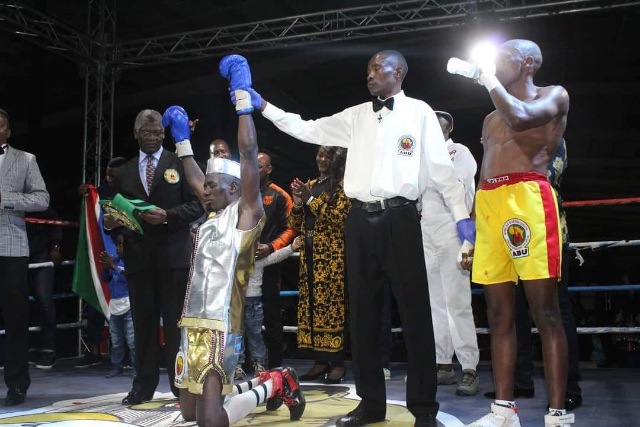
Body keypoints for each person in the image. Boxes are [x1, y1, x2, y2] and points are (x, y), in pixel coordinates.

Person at [248, 50, 475, 427]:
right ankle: (371, 405)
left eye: (377, 68)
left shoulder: (420, 112)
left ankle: (424, 409)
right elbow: (308, 128)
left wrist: (463, 220)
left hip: (401, 217)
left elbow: (442, 174)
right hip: (358, 220)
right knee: (364, 316)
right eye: (368, 69)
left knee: (416, 316)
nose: (369, 75)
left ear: (398, 72)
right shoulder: (354, 116)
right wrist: (264, 106)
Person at [161, 53, 305, 426]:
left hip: (222, 323)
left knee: (210, 421)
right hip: (191, 322)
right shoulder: (211, 215)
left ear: (235, 189)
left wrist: (243, 101)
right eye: (205, 186)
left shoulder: (245, 216)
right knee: (189, 414)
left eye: (212, 186)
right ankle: (274, 380)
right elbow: (196, 177)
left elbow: (249, 154)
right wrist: (182, 142)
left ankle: (274, 384)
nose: (204, 191)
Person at [457, 39, 574, 427]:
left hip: (529, 197)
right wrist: (470, 234)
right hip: (490, 202)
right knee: (498, 314)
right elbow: (484, 172)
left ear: (527, 63)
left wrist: (486, 77)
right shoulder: (490, 119)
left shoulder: (552, 95)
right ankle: (503, 411)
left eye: (501, 58)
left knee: (545, 312)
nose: (492, 63)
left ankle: (557, 414)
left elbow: (522, 117)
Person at [104, 109, 204, 405]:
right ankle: (143, 386)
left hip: (174, 257)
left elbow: (197, 205)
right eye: (147, 132)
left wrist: (167, 216)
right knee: (143, 325)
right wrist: (111, 223)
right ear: (136, 133)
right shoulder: (123, 172)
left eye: (158, 132)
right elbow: (117, 211)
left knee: (175, 325)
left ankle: (180, 385)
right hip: (138, 258)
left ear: (165, 133)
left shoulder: (180, 162)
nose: (153, 137)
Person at [483, 139, 582, 410]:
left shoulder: (549, 132)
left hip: (546, 231)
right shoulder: (506, 137)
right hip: (508, 231)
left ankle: (568, 389)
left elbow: (547, 175)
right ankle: (520, 381)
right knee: (511, 313)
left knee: (553, 311)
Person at [419, 110, 480, 396]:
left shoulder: (460, 152)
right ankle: (442, 364)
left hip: (453, 226)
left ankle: (469, 367)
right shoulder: (422, 157)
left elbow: (455, 188)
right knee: (435, 302)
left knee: (458, 301)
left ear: (448, 129)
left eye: (438, 126)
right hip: (426, 229)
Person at [0, 108, 50, 406]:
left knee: (16, 320)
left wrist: (5, 200)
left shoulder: (25, 159)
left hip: (11, 247)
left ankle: (17, 384)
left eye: (0, 125)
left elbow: (42, 199)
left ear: (8, 130)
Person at [289, 146, 351, 384]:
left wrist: (310, 200)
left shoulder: (344, 186)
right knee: (312, 308)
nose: (322, 159)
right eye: (319, 155)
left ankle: (337, 363)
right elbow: (295, 223)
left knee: (331, 309)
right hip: (309, 255)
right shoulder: (311, 184)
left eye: (327, 156)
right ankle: (320, 361)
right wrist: (297, 203)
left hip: (332, 257)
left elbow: (339, 218)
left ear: (337, 160)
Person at [75, 156, 128, 369]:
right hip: (104, 251)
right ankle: (94, 351)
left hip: (128, 253)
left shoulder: (134, 191)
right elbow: (93, 206)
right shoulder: (100, 192)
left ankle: (132, 355)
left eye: (114, 176)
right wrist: (85, 193)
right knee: (97, 298)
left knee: (133, 311)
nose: (110, 179)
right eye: (108, 175)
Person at [236, 235, 304, 378]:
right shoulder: (231, 261)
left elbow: (276, 256)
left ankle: (259, 363)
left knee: (255, 336)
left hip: (253, 305)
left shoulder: (258, 260)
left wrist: (291, 248)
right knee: (237, 337)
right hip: (236, 305)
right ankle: (237, 365)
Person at [256, 151, 296, 369]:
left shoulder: (280, 196)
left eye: (259, 166)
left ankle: (275, 364)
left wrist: (271, 247)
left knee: (271, 314)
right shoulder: (240, 191)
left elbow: (290, 229)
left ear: (269, 169)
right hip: (241, 263)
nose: (254, 170)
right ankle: (246, 361)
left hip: (269, 264)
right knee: (241, 315)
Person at [26, 204, 63, 370]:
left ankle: (49, 350)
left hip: (42, 253)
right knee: (24, 301)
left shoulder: (39, 197)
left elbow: (54, 219)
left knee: (43, 299)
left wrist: (55, 246)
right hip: (19, 251)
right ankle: (32, 348)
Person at [99, 231, 136, 379]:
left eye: (122, 245)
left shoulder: (133, 263)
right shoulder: (114, 261)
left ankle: (136, 368)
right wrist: (106, 268)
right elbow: (105, 278)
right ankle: (116, 366)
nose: (118, 248)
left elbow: (130, 277)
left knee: (132, 341)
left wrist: (113, 266)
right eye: (118, 245)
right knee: (116, 340)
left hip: (129, 305)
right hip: (115, 305)